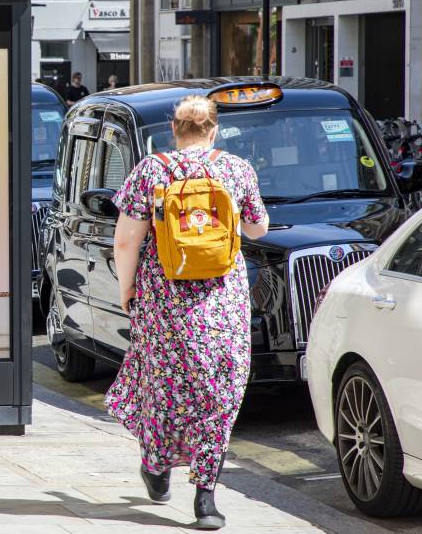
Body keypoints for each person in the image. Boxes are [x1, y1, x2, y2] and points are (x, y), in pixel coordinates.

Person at [105, 95, 269, 530]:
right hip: (222, 301)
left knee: (162, 386)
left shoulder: (150, 171)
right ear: (214, 131)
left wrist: (127, 290)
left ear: (174, 130)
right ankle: (206, 499)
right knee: (220, 392)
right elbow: (258, 228)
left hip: (165, 299)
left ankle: (157, 468)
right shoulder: (236, 169)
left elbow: (125, 242)